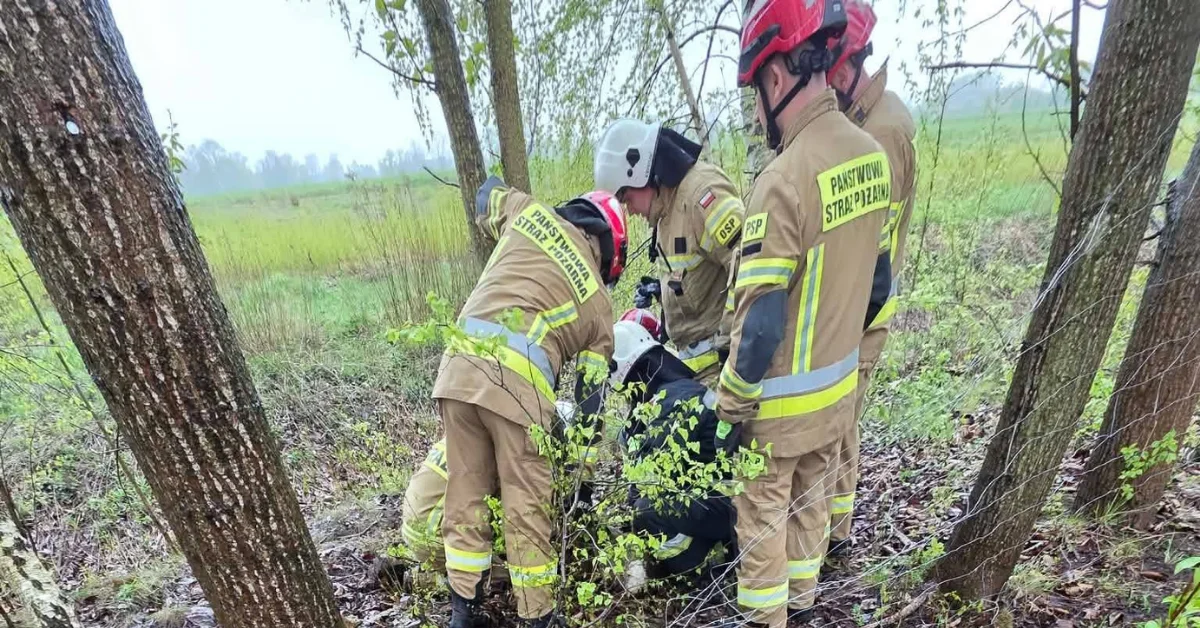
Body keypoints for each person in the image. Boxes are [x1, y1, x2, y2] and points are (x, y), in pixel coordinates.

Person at [713, 0, 892, 624]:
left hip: (779, 413)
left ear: (777, 77)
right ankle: (806, 610)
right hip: (837, 394)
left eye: (754, 93)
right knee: (810, 515)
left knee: (762, 534)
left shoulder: (783, 179)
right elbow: (878, 285)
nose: (757, 111)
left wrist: (729, 409)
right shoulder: (870, 156)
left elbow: (760, 327)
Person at [435, 176, 628, 628]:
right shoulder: (599, 305)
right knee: (527, 508)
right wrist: (583, 479)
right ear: (608, 254)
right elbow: (589, 403)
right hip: (517, 392)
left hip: (457, 368)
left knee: (465, 488)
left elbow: (485, 193)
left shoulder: (528, 212)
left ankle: (464, 612)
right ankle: (539, 617)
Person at [824, 0, 919, 559]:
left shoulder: (884, 129)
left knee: (839, 419)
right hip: (848, 298)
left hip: (865, 305)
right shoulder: (859, 118)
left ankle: (835, 538)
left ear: (843, 65)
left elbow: (870, 245)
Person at [594, 120, 745, 386]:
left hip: (725, 374)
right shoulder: (666, 211)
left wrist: (730, 349)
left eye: (626, 198)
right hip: (696, 374)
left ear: (640, 174)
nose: (629, 210)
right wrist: (663, 295)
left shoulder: (702, 196)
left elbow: (749, 266)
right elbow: (697, 278)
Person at [610, 312, 737, 584]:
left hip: (722, 506)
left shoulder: (668, 402)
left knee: (647, 510)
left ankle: (696, 570)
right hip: (725, 501)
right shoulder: (682, 389)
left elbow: (652, 479)